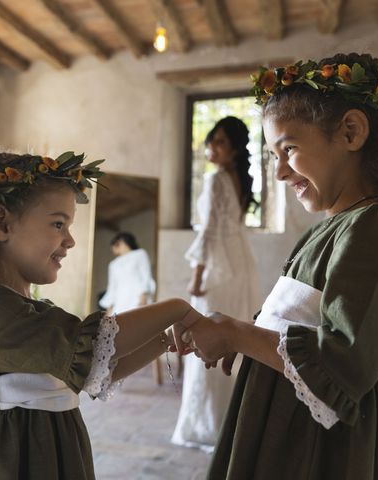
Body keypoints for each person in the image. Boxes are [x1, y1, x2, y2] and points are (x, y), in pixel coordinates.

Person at [176, 53, 378, 479]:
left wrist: (236, 332)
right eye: (272, 155)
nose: (278, 173)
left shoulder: (376, 226)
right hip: (287, 423)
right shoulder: (333, 227)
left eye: (288, 149)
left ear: (351, 132)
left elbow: (342, 362)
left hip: (314, 446)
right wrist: (240, 338)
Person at [0, 149, 206, 480]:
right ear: (1, 224)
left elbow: (97, 368)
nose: (71, 240)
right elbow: (89, 349)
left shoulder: (30, 310)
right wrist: (177, 307)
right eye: (58, 223)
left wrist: (164, 339)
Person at [171, 116, 261, 450]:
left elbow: (208, 231)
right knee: (235, 339)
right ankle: (232, 420)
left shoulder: (216, 180)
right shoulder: (240, 179)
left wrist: (196, 277)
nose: (212, 147)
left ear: (235, 150)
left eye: (220, 142)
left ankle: (210, 426)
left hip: (220, 272)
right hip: (241, 266)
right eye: (212, 140)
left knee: (208, 339)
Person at [99, 232, 155, 314]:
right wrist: (109, 308)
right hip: (119, 303)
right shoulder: (113, 264)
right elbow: (112, 287)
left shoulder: (140, 254)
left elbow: (146, 276)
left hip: (137, 300)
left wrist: (143, 299)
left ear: (121, 242)